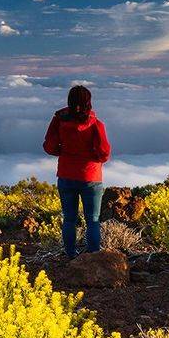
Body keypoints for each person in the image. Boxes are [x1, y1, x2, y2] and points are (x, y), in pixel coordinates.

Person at [42, 84, 111, 256]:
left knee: (69, 219)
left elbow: (49, 146)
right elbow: (104, 153)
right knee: (93, 220)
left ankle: (70, 254)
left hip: (66, 175)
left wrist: (64, 153)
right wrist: (93, 158)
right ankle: (94, 256)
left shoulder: (59, 120)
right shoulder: (96, 124)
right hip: (90, 177)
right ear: (88, 102)